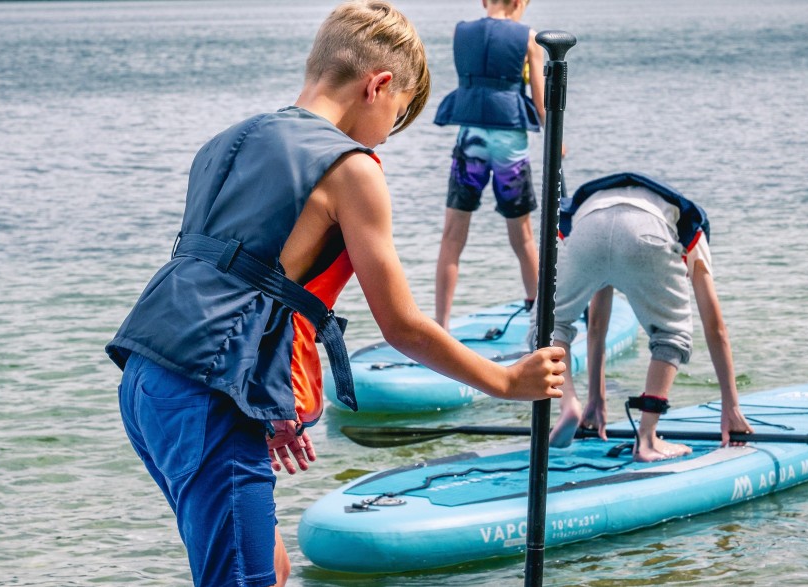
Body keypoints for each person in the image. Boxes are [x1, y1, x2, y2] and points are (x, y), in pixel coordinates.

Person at [104, 2, 566, 585]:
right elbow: (400, 325)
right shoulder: (353, 171)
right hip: (207, 398)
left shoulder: (227, 140)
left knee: (268, 571)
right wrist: (505, 381)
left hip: (147, 377)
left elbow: (234, 282)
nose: (388, 136)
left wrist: (265, 400)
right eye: (396, 117)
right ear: (379, 85)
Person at [542, 172, 754, 461]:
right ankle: (647, 438)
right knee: (672, 335)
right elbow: (715, 326)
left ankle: (570, 402)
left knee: (551, 325)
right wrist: (731, 407)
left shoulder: (601, 200)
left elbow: (597, 323)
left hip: (587, 224)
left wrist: (596, 399)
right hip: (647, 230)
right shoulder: (692, 228)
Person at [432, 0, 546, 329]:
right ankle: (538, 314)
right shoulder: (529, 38)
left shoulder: (461, 32)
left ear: (484, 0)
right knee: (522, 235)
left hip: (471, 136)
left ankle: (441, 324)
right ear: (520, 2)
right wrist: (557, 141)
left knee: (452, 235)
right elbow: (540, 102)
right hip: (509, 136)